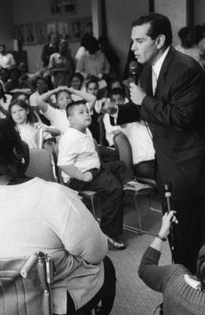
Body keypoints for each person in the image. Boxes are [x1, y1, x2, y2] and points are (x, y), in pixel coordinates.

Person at [98, 13, 205, 273]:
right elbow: (145, 107)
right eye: (132, 41)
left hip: (193, 169)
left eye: (139, 40)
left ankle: (198, 295)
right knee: (177, 237)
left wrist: (143, 100)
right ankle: (181, 289)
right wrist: (115, 110)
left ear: (159, 40)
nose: (133, 48)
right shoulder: (151, 68)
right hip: (170, 165)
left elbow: (182, 118)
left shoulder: (187, 68)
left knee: (197, 241)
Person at [0, 121, 116, 315]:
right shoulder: (54, 196)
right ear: (19, 153)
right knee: (106, 266)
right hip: (44, 307)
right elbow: (96, 252)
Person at [58, 100, 149, 250]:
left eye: (87, 111)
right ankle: (108, 232)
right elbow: (63, 164)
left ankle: (128, 183)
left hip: (94, 169)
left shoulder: (84, 130)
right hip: (79, 177)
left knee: (118, 165)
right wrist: (82, 176)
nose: (87, 114)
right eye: (81, 112)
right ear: (70, 119)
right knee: (114, 188)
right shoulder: (70, 138)